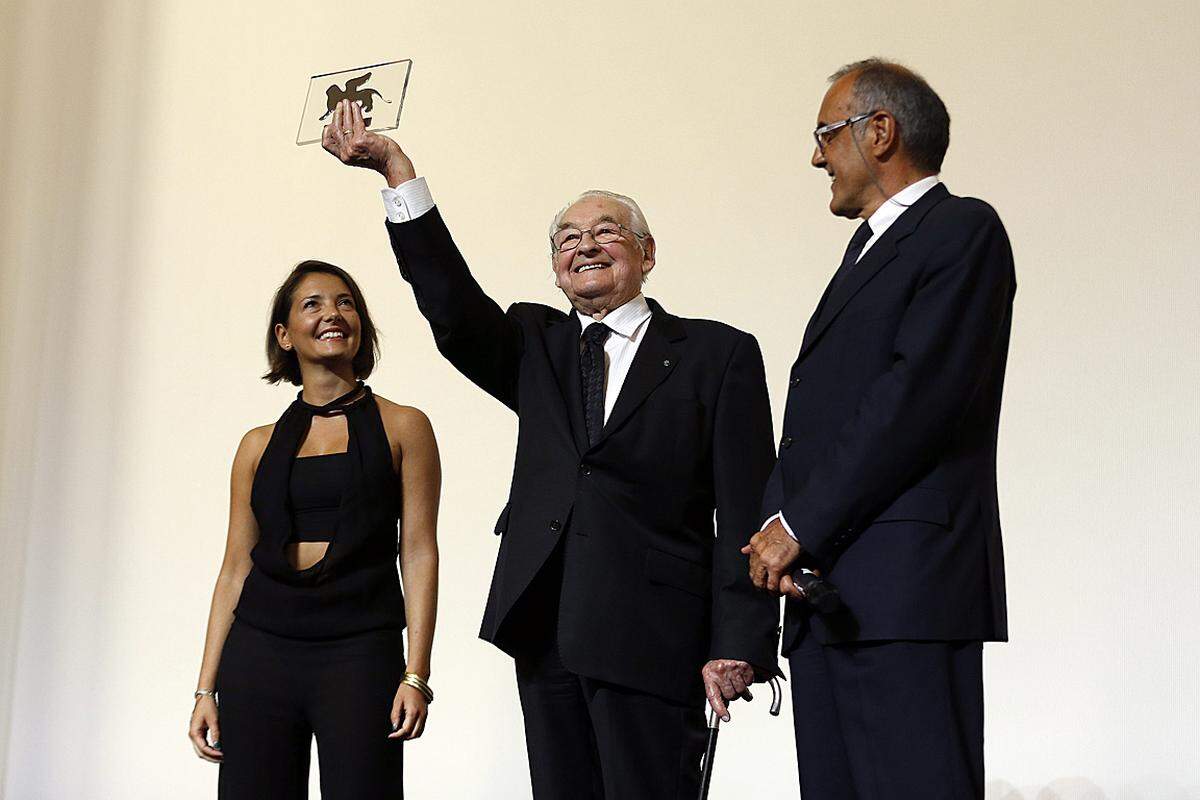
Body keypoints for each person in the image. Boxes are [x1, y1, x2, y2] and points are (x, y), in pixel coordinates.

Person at [322, 99, 779, 799]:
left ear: (647, 254)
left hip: (657, 634)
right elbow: (449, 302)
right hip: (548, 627)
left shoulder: (717, 355)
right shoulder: (535, 344)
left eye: (607, 232)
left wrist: (740, 641)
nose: (586, 246)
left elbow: (747, 509)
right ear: (555, 269)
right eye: (568, 239)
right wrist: (396, 172)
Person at [744, 59, 1015, 799]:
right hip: (826, 594)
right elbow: (818, 416)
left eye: (826, 135)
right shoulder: (865, 251)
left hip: (906, 594)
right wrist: (775, 521)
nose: (816, 157)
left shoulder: (960, 229)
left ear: (881, 131)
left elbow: (915, 399)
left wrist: (798, 520)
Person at [187, 260, 441, 799]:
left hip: (359, 652)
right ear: (284, 335)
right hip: (260, 652)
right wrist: (205, 687)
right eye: (313, 304)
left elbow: (418, 554)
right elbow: (235, 567)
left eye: (345, 302)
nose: (333, 313)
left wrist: (416, 673)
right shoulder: (257, 444)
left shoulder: (405, 426)